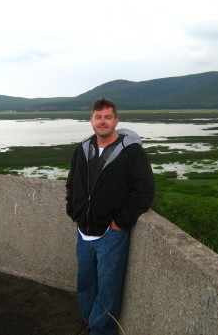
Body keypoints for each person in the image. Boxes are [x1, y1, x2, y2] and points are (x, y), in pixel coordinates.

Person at [66, 97, 155, 335]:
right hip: (83, 230)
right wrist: (73, 212)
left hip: (111, 233)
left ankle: (101, 331)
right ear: (91, 120)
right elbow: (72, 183)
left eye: (107, 117)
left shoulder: (131, 151)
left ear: (116, 120)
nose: (102, 122)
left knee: (108, 288)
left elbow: (144, 190)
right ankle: (88, 321)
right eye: (98, 117)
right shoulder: (83, 149)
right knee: (85, 282)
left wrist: (120, 222)